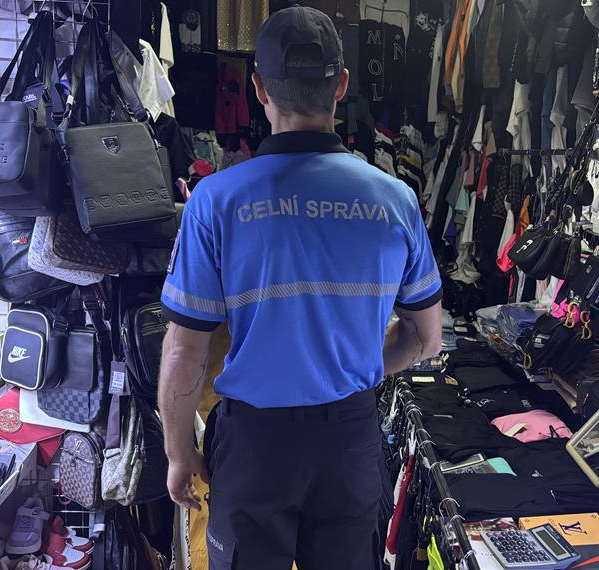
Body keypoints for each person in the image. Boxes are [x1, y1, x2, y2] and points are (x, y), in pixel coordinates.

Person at [158, 7, 442, 569]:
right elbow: (425, 339)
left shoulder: (215, 201)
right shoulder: (395, 201)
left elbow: (184, 350)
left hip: (254, 446)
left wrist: (178, 453)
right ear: (341, 86)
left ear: (259, 89)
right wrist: (356, 368)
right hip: (350, 442)